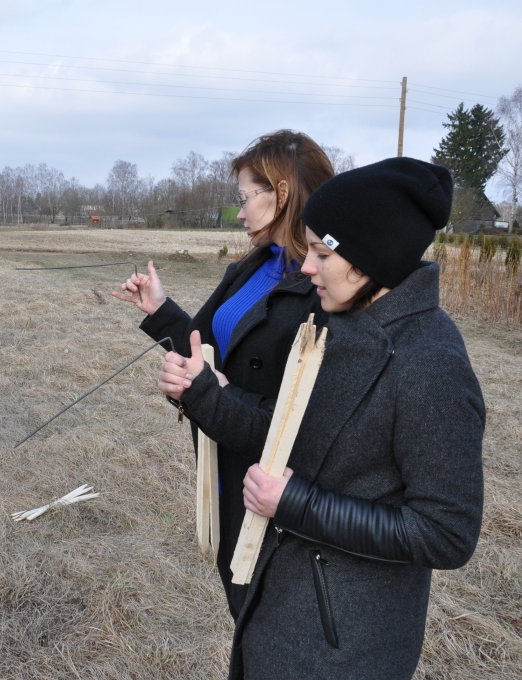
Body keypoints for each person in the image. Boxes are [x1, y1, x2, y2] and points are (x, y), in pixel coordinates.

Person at [161, 158, 484, 679]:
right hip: (282, 608)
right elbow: (288, 431)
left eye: (321, 252)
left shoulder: (430, 365)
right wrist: (209, 393)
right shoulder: (335, 326)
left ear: (368, 257)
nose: (306, 267)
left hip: (344, 645)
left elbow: (446, 532)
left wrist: (296, 503)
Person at [112, 130, 335, 618]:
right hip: (222, 456)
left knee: (271, 617)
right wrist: (159, 308)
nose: (239, 213)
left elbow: (312, 414)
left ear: (280, 193)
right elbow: (208, 348)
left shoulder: (326, 286)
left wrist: (218, 394)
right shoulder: (257, 264)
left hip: (270, 487)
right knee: (244, 608)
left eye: (245, 198)